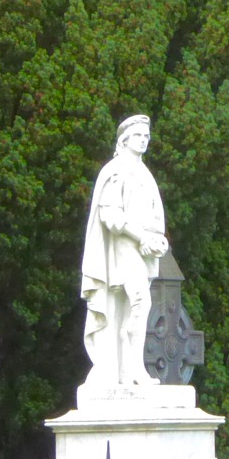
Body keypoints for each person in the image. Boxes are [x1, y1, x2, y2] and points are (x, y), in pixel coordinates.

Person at [81, 114, 169, 386]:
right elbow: (110, 215)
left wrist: (157, 240)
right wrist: (141, 236)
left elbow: (154, 216)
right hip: (122, 248)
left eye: (146, 136)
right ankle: (132, 371)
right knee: (141, 301)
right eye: (138, 135)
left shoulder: (145, 174)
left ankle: (126, 371)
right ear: (125, 140)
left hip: (142, 250)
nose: (143, 140)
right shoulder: (116, 171)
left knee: (134, 306)